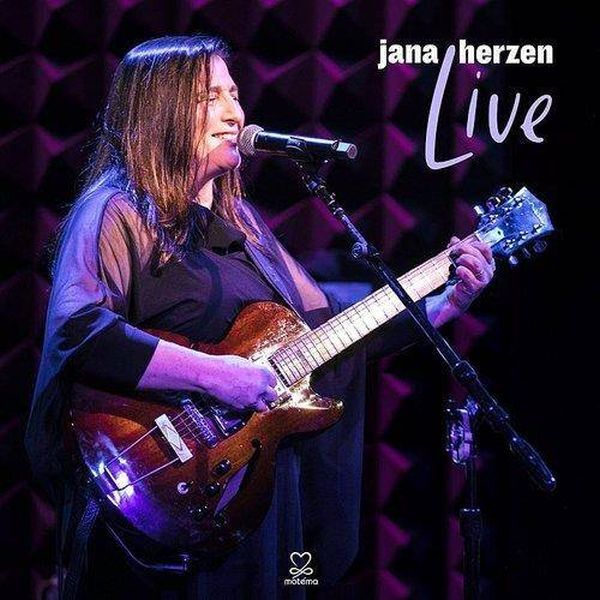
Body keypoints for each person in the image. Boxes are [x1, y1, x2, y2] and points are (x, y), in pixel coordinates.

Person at [25, 35, 495, 599]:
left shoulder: (244, 225)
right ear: (161, 110)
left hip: (248, 497)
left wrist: (446, 302)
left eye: (235, 94)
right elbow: (79, 331)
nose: (235, 113)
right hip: (157, 499)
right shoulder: (117, 212)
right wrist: (215, 375)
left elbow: (330, 330)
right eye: (211, 97)